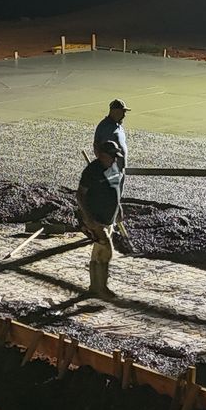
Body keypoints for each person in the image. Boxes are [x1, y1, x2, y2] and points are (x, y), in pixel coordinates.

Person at [76, 138, 124, 299]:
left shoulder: (113, 168)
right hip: (96, 221)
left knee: (97, 253)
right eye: (112, 156)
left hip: (108, 219)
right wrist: (88, 219)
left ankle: (94, 288)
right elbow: (80, 195)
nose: (115, 159)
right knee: (106, 251)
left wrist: (119, 209)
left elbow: (115, 191)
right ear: (102, 155)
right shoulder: (92, 171)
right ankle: (101, 287)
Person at [93, 99, 130, 227]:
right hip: (111, 169)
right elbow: (97, 146)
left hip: (119, 169)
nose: (124, 115)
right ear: (114, 111)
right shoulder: (104, 126)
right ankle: (106, 226)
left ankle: (112, 225)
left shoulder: (118, 126)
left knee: (117, 197)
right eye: (122, 111)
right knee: (110, 198)